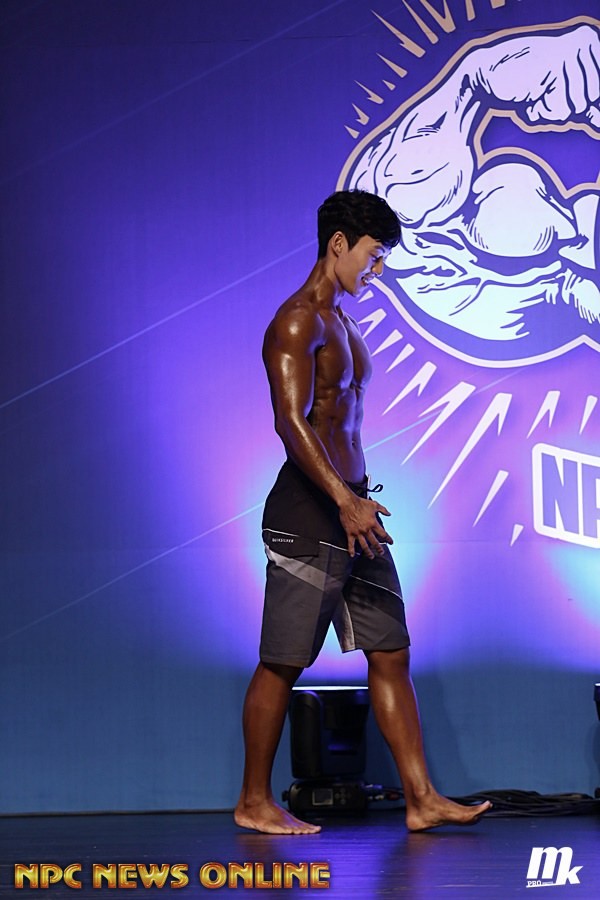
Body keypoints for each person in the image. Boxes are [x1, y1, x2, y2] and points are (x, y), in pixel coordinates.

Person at [234, 190, 492, 835]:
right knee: (284, 660)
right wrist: (344, 500)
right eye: (373, 255)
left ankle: (421, 799)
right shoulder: (297, 321)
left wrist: (356, 499)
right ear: (338, 243)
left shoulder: (343, 322)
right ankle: (253, 801)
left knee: (390, 650)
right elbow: (291, 422)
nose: (377, 270)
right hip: (310, 512)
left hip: (354, 508)